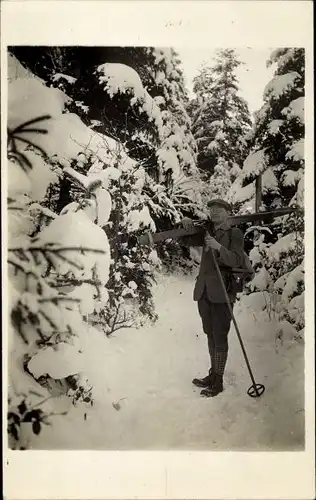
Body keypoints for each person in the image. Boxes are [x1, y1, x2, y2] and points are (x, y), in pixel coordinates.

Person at [181, 199, 244, 397]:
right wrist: (184, 225)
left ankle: (218, 382)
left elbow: (236, 259)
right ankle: (213, 374)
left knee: (220, 335)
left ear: (228, 213)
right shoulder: (205, 231)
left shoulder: (234, 233)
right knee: (210, 334)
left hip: (223, 291)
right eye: (212, 210)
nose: (214, 213)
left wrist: (218, 247)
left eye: (219, 210)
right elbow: (185, 240)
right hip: (204, 291)